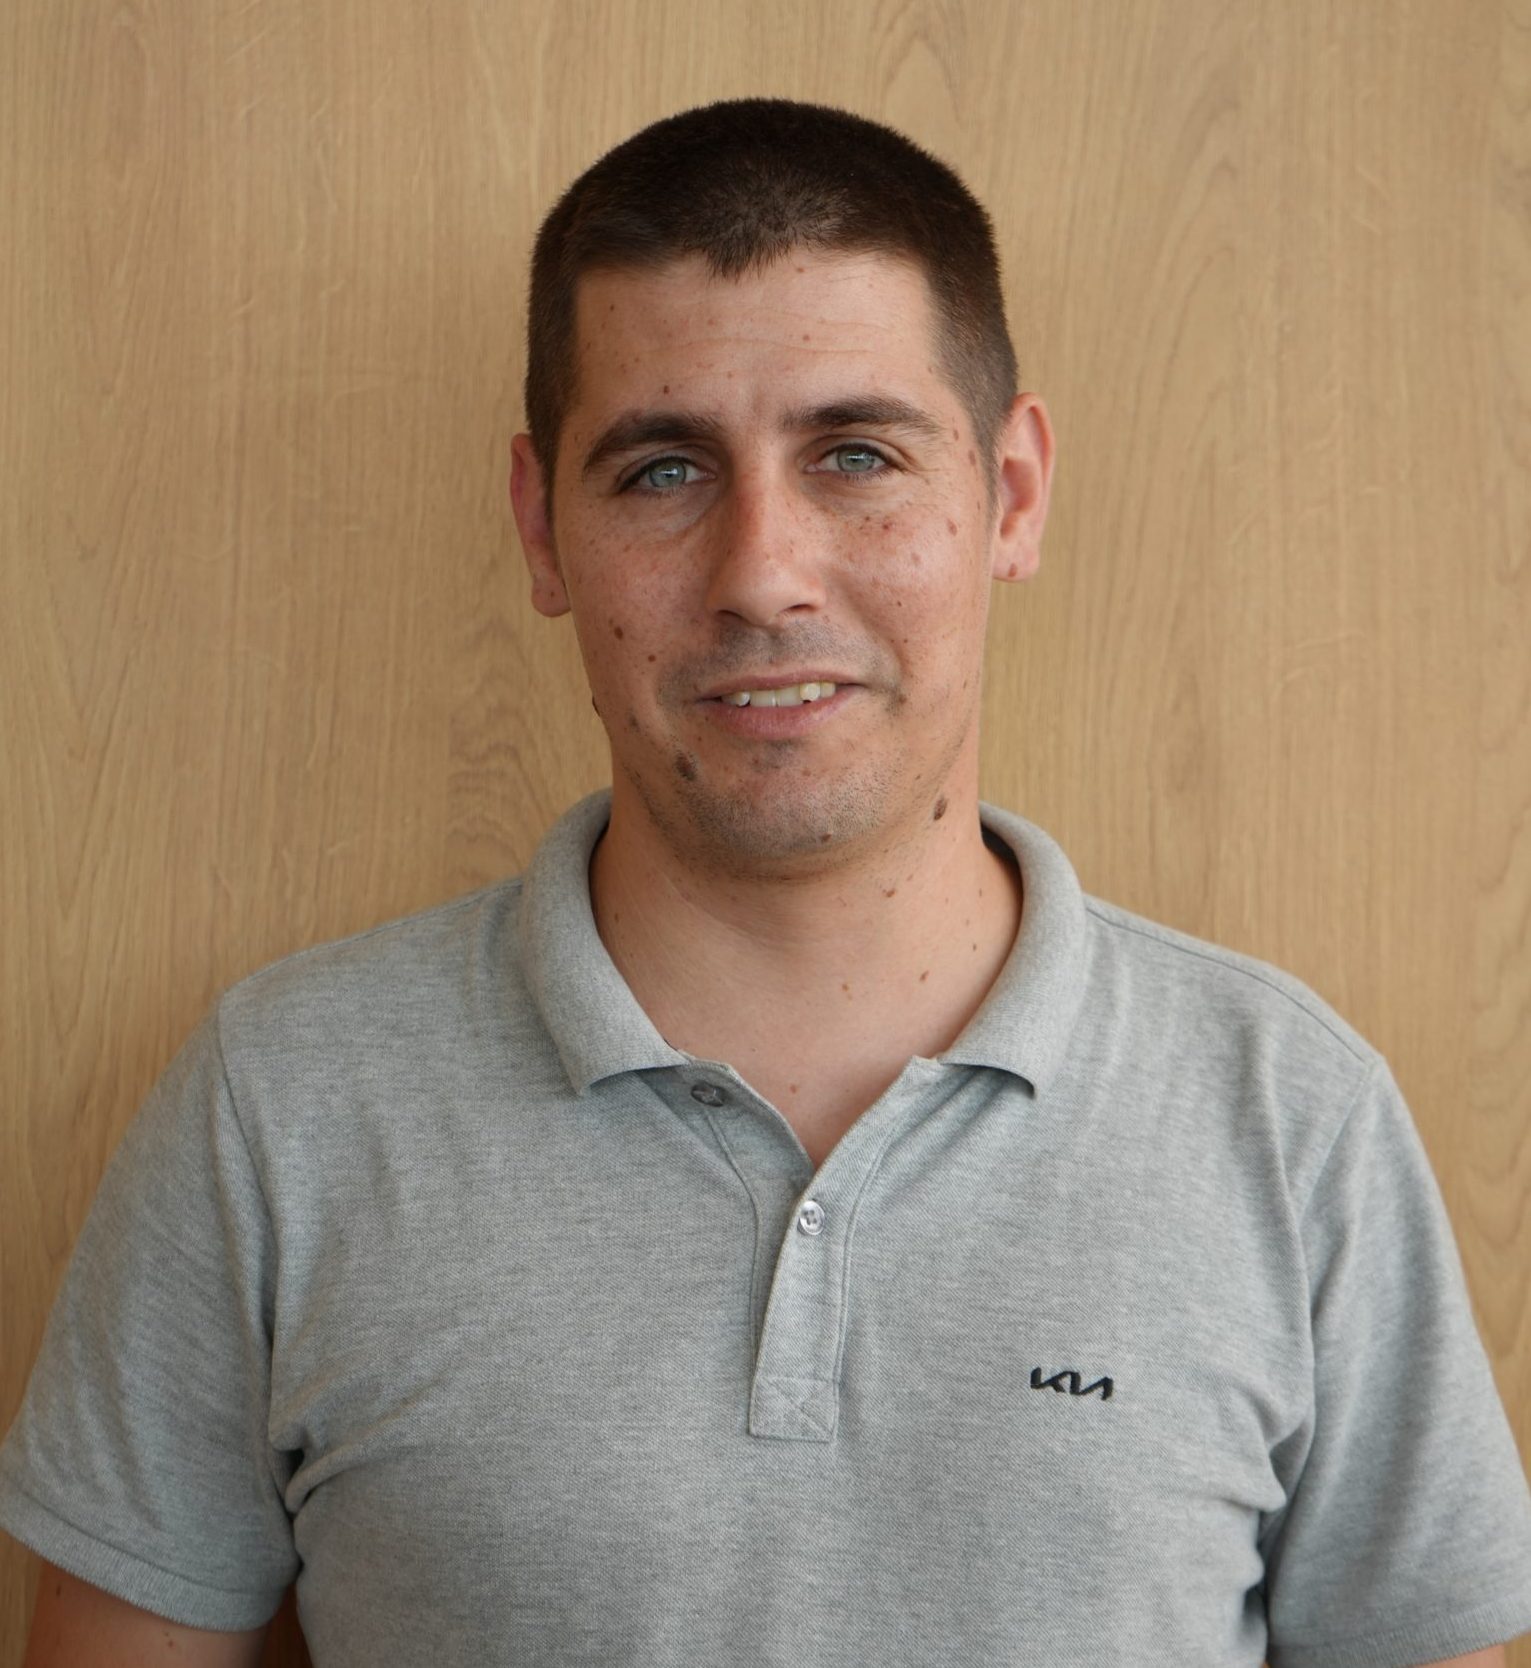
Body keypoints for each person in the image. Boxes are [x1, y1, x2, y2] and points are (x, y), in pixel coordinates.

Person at [2, 97, 1529, 1668]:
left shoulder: (1292, 1119)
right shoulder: (279, 1109)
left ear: (1012, 494)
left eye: (857, 455)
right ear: (542, 528)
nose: (763, 575)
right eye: (662, 471)